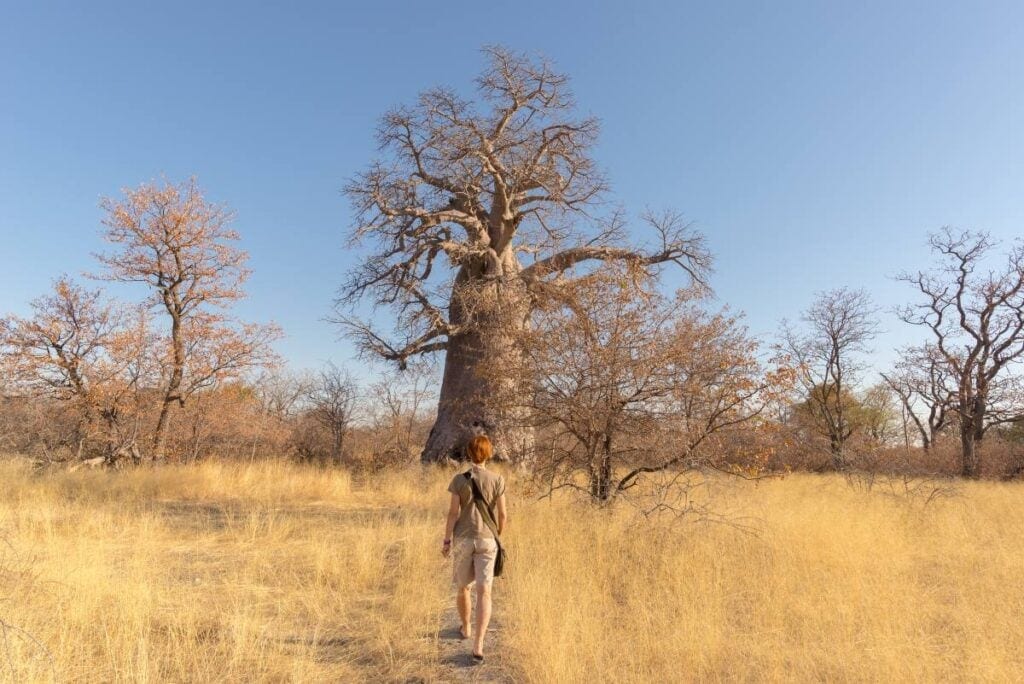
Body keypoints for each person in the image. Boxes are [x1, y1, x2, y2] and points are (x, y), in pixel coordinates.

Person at [442, 435, 507, 662]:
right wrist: (496, 536)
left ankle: (466, 627)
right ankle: (478, 645)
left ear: (469, 453)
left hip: (463, 540)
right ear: (489, 453)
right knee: (485, 591)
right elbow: (503, 515)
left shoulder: (459, 480)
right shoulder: (498, 479)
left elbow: (452, 513)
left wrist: (447, 541)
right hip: (488, 540)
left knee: (464, 588)